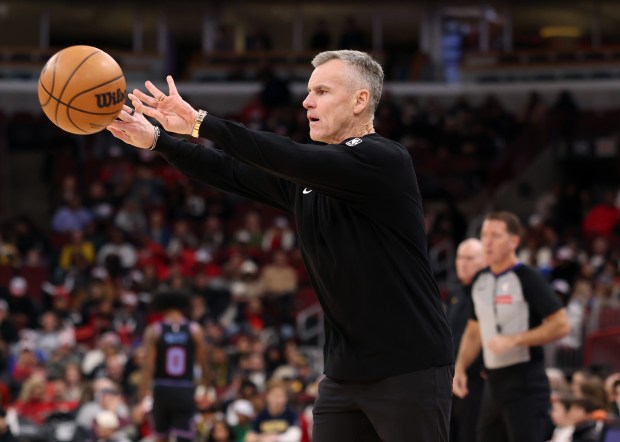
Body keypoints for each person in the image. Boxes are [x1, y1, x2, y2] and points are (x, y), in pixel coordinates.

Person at [108, 49, 454, 441]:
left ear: (360, 100)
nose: (307, 101)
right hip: (345, 373)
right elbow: (231, 172)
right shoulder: (309, 178)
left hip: (409, 367)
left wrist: (200, 123)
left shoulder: (385, 160)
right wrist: (158, 140)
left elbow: (286, 155)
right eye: (308, 91)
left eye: (322, 91)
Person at [453, 211, 570, 442]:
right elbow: (474, 330)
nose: (487, 241)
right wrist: (460, 367)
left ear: (514, 241)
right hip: (493, 385)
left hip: (526, 382)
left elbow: (561, 325)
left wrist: (515, 339)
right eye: (485, 234)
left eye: (495, 235)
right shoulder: (480, 280)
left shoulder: (528, 278)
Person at [139, 292, 210, 442]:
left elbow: (148, 366)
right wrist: (207, 383)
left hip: (162, 388)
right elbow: (204, 362)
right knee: (185, 437)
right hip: (184, 388)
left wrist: (142, 393)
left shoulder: (155, 330)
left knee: (160, 436)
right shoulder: (194, 329)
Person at [447, 238, 486, 442]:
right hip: (450, 380)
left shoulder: (488, 290)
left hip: (476, 381)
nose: (463, 263)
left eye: (470, 258)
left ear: (484, 261)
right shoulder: (455, 293)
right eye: (460, 257)